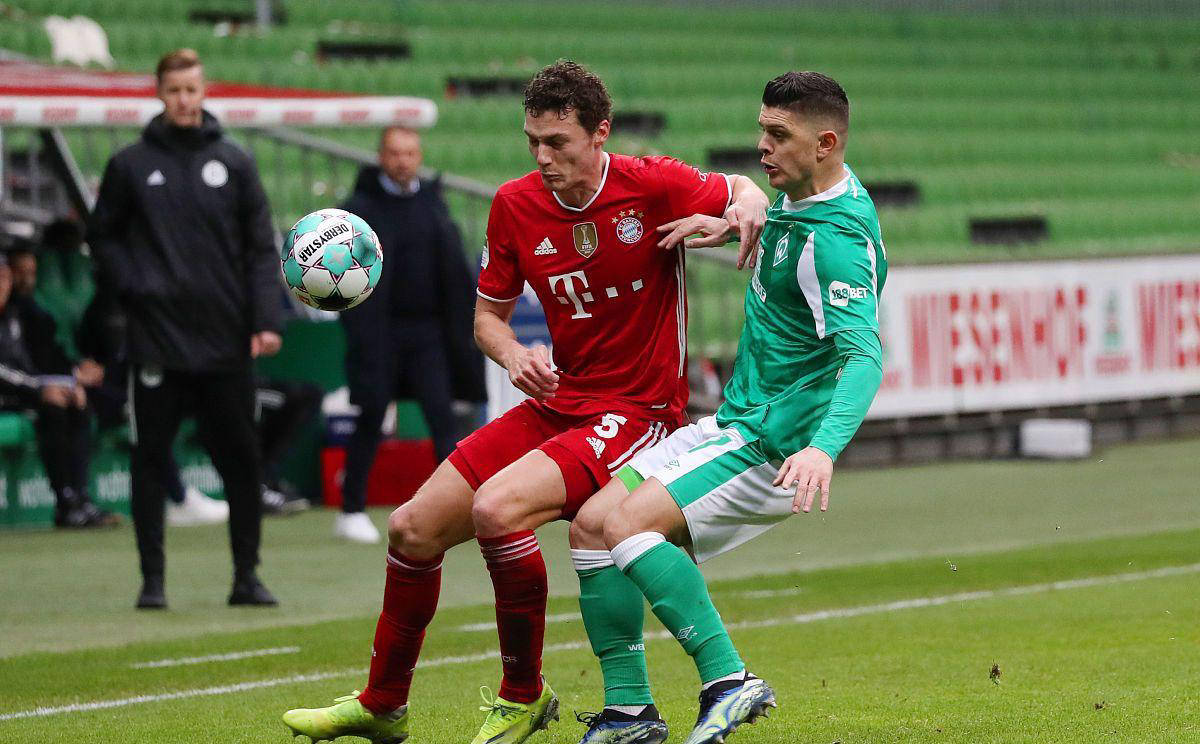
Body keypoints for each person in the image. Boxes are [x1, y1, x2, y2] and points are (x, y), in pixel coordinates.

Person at [282, 60, 769, 744]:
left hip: (637, 410)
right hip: (559, 402)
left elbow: (744, 188)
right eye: (532, 141)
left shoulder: (652, 183)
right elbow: (488, 319)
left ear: (600, 133)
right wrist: (514, 354)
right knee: (411, 529)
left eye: (557, 143)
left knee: (497, 509)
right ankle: (383, 704)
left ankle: (523, 695)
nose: (542, 157)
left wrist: (747, 204)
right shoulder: (514, 205)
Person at [569, 71, 887, 744]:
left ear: (825, 143)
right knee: (591, 526)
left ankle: (728, 680)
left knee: (627, 527)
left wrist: (822, 448)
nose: (762, 146)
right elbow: (794, 230)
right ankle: (629, 714)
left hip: (772, 444)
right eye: (762, 129)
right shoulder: (806, 200)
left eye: (779, 134)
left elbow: (863, 357)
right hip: (735, 421)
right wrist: (735, 220)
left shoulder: (833, 242)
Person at [86, 48, 284, 610]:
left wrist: (265, 320)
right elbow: (102, 238)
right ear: (159, 93)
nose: (183, 100)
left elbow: (259, 248)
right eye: (174, 90)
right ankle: (152, 582)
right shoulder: (129, 165)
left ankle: (246, 577)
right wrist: (136, 283)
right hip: (157, 340)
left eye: (192, 89)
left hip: (225, 340)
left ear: (204, 91)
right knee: (149, 459)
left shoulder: (234, 162)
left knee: (241, 460)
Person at [335, 126, 485, 544]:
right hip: (379, 333)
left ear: (419, 157)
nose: (403, 161)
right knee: (371, 416)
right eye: (395, 153)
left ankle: (453, 508)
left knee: (442, 418)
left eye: (410, 153)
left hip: (428, 333)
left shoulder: (433, 204)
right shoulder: (358, 210)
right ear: (381, 156)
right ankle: (350, 509)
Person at [0, 251, 117, 528]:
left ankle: (81, 498)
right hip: (11, 393)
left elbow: (42, 358)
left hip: (22, 390)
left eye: (4, 278)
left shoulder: (17, 314)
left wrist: (70, 381)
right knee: (52, 406)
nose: (3, 285)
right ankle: (64, 501)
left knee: (77, 402)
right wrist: (40, 388)